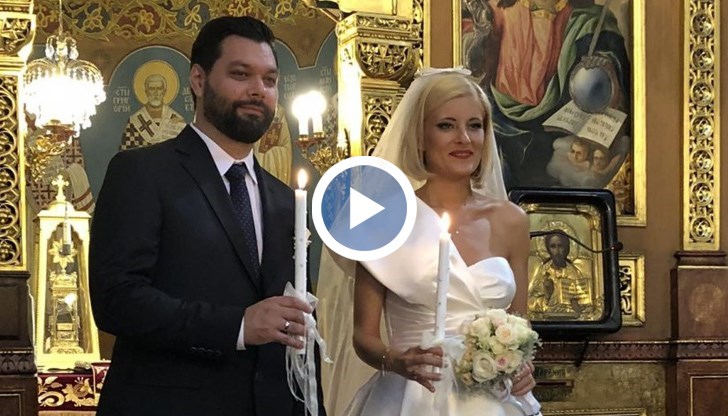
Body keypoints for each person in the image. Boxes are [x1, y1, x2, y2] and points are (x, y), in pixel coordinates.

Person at [90, 16, 324, 416]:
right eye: (240, 74)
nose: (258, 90)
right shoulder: (142, 172)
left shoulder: (286, 200)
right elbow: (117, 299)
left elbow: (296, 324)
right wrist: (238, 326)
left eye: (269, 80)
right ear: (198, 80)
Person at [319, 69, 541, 416]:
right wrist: (397, 361)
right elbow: (363, 337)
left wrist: (523, 365)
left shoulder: (511, 220)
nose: (464, 138)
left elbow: (520, 325)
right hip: (412, 397)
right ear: (420, 137)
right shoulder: (383, 220)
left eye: (474, 126)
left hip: (494, 400)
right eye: (446, 125)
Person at [463, 0, 630, 188]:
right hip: (500, 124)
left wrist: (604, 67)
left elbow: (614, 71)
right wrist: (481, 34)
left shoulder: (590, 20)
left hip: (558, 131)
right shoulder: (496, 9)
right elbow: (471, 64)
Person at [527, 232, 593, 318]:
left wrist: (578, 306)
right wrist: (547, 297)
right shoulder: (543, 272)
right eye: (553, 246)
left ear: (566, 249)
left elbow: (588, 306)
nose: (557, 251)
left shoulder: (575, 273)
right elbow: (530, 303)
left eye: (560, 246)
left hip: (572, 321)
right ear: (548, 249)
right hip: (546, 321)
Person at [120, 73, 187, 150]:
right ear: (146, 91)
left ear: (164, 91)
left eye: (159, 88)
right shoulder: (135, 121)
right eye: (152, 89)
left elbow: (183, 150)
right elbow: (126, 152)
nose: (156, 93)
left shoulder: (175, 119)